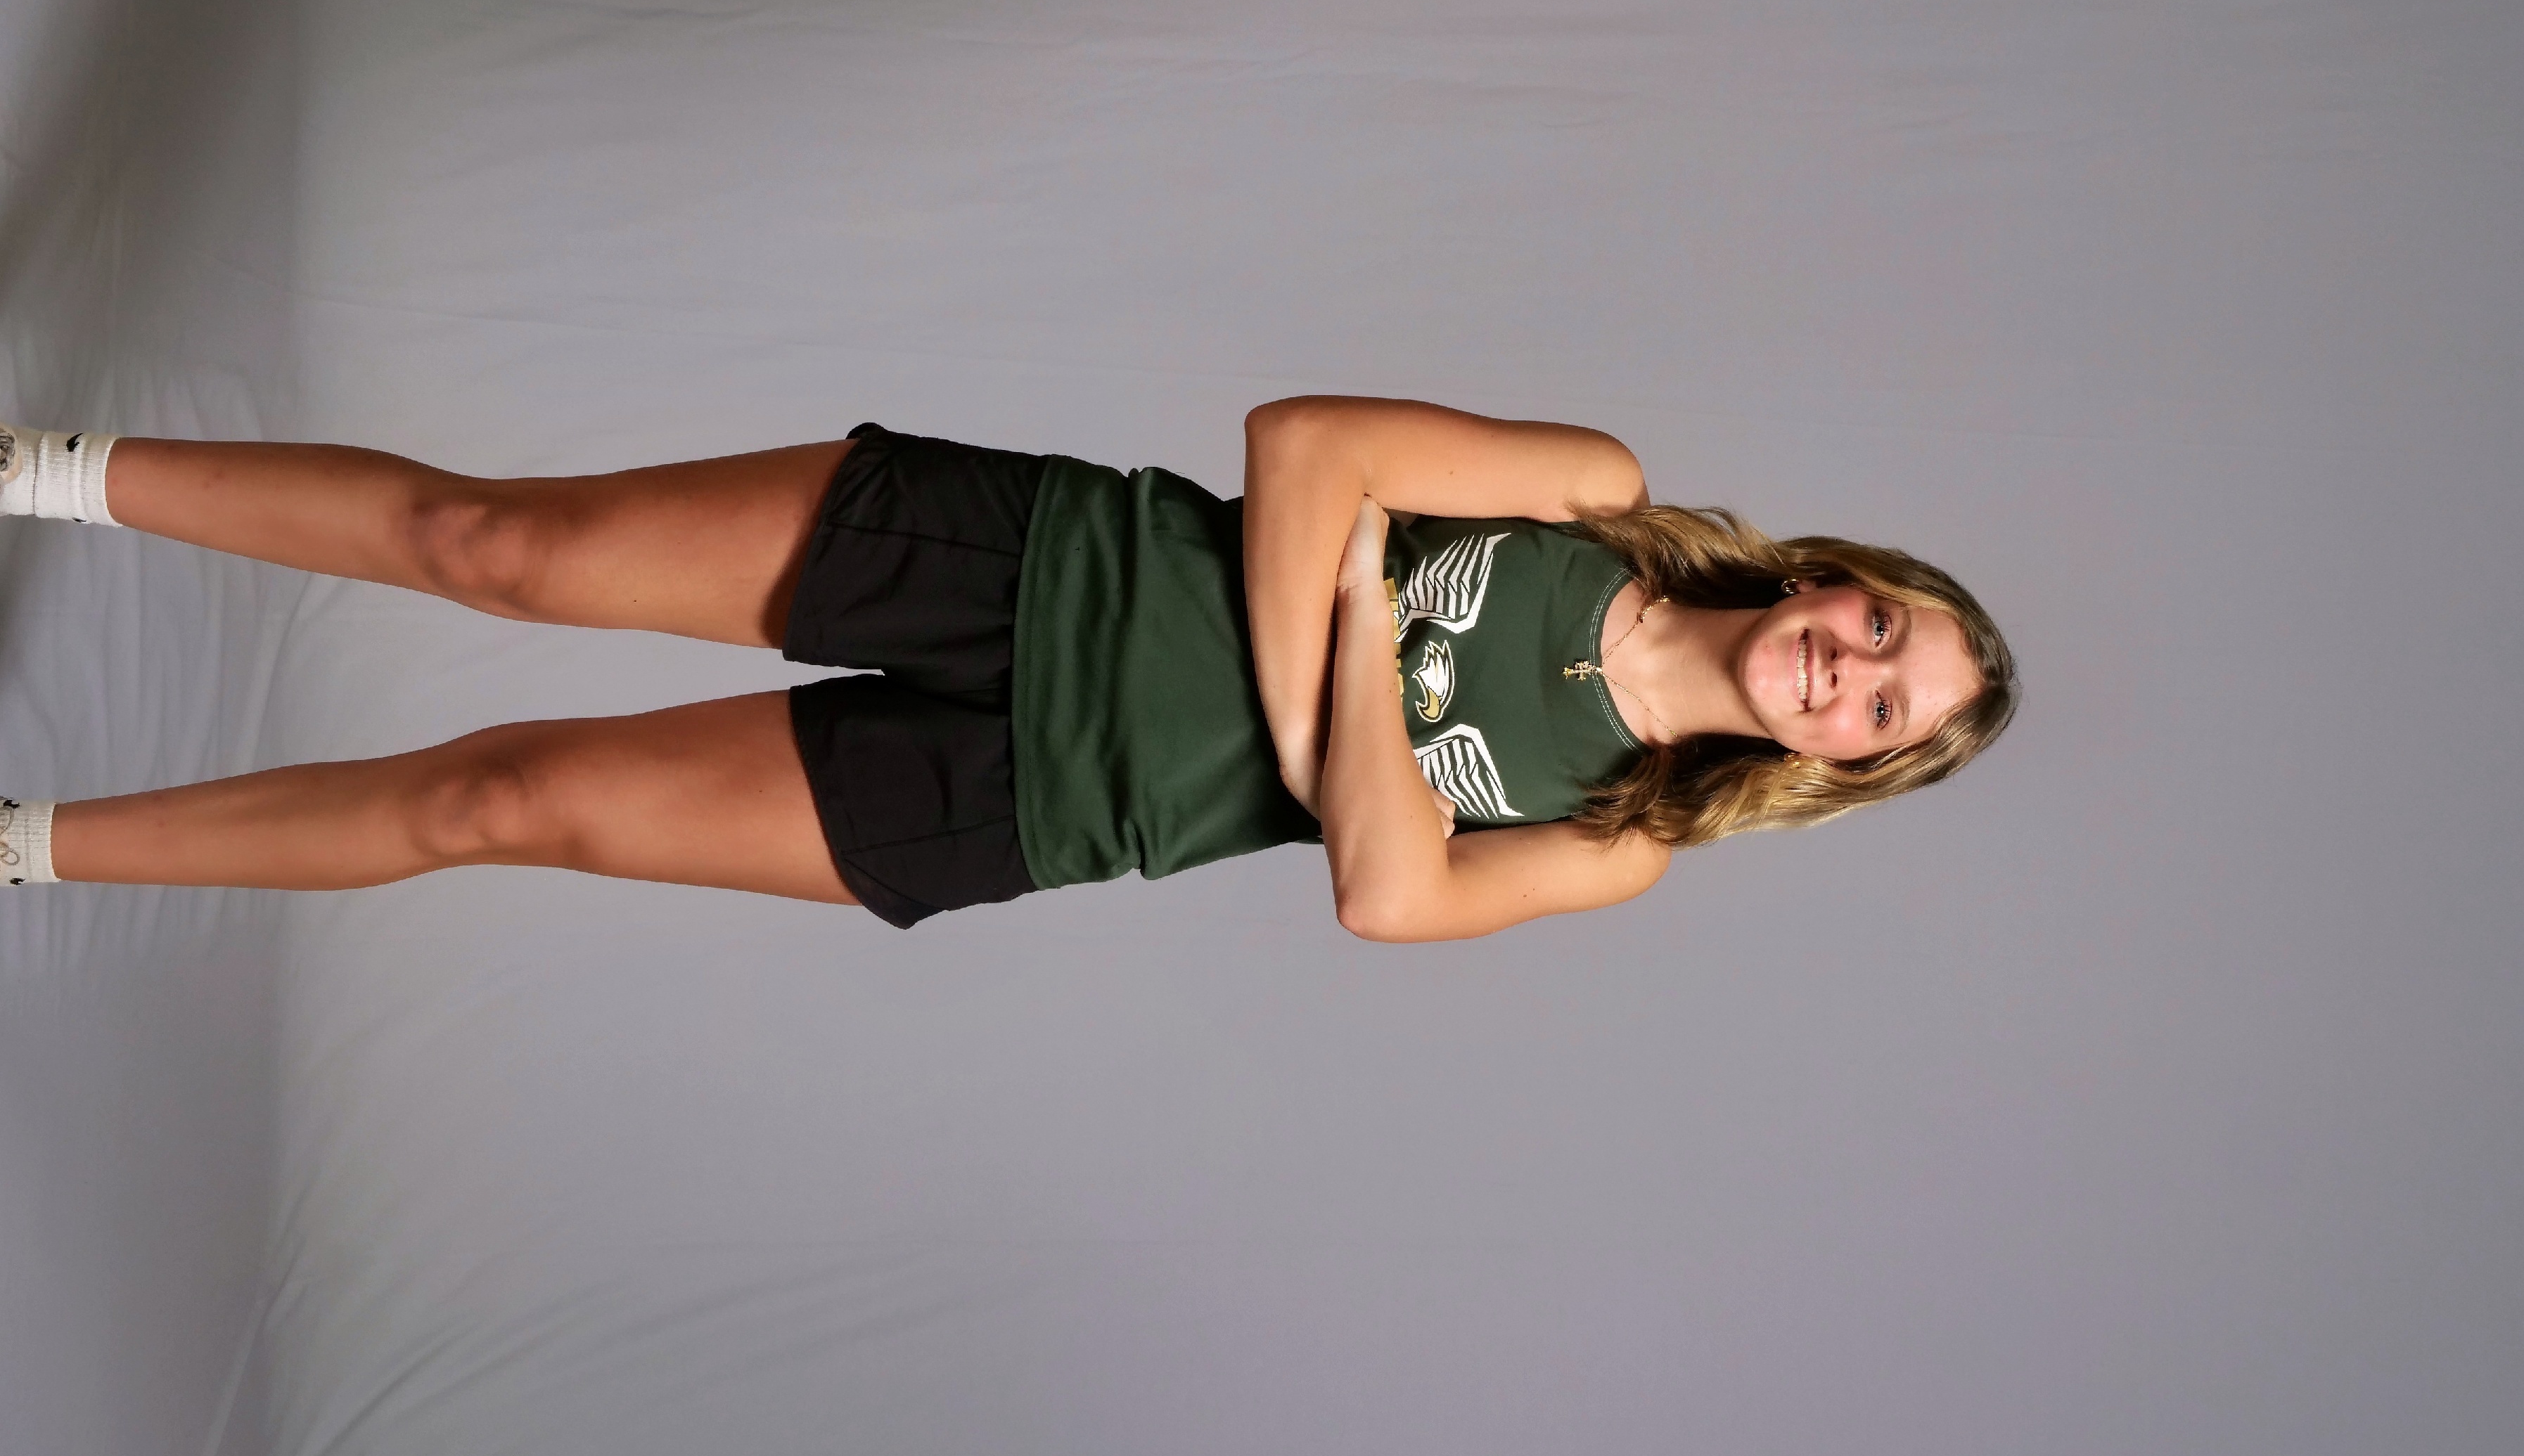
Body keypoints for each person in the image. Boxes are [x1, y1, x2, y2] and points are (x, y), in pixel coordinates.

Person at [0, 397, 2017, 940]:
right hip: (1038, 565)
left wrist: (1357, 606)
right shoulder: (1596, 494)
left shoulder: (1623, 834)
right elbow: (1305, 442)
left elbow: (1389, 898)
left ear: (1849, 765)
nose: (1847, 675)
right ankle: (48, 469)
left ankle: (24, 848)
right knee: (498, 547)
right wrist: (1344, 730)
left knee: (500, 803)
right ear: (1846, 580)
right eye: (1882, 632)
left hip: (1049, 807)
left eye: (1883, 713)